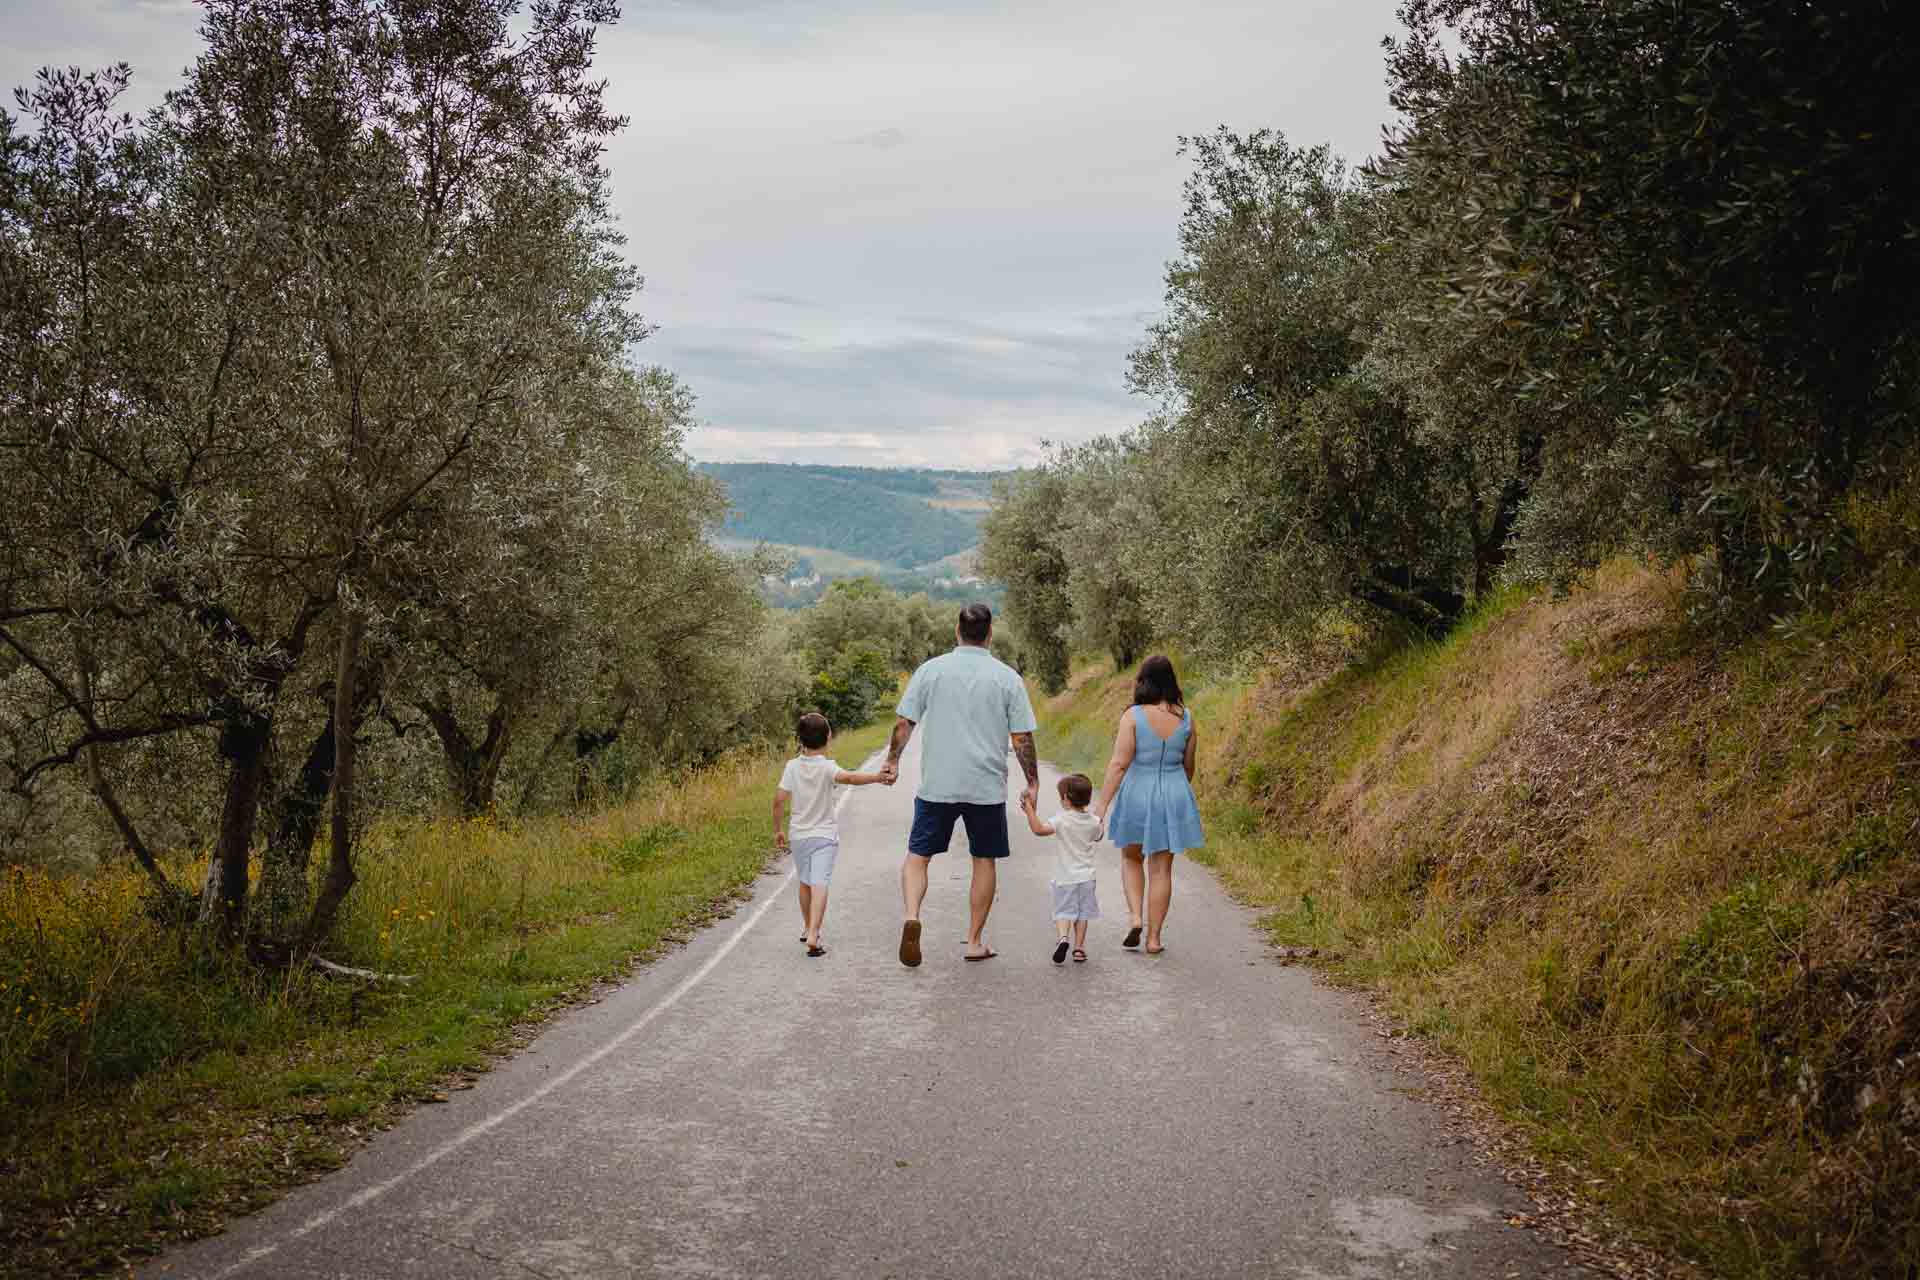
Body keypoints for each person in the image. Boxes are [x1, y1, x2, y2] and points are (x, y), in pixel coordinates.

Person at [882, 602, 1039, 966]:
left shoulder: (930, 671)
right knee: (983, 861)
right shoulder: (1006, 678)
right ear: (989, 632)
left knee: (917, 858)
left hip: (938, 783)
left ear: (957, 630)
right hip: (985, 787)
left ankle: (911, 916)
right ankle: (973, 941)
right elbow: (1022, 739)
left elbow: (904, 724)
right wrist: (1033, 782)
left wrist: (892, 760)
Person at [1093, 655, 1203, 955]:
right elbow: (1188, 766)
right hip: (1174, 789)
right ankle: (1154, 939)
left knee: (1131, 858)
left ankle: (1135, 918)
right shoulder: (1187, 719)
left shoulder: (1133, 716)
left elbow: (1119, 764)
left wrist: (1101, 806)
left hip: (1138, 791)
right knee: (1162, 869)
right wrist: (1176, 790)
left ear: (1143, 681)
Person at [774, 711, 891, 957]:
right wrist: (877, 777)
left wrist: (778, 830)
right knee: (820, 883)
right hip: (824, 836)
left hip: (799, 836)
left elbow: (779, 800)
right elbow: (850, 777)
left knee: (805, 882)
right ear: (828, 737)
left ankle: (807, 927)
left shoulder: (792, 767)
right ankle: (815, 934)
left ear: (800, 739)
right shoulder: (827, 767)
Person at [1020, 773, 1102, 964]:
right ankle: (1079, 948)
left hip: (1065, 877)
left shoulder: (1061, 820)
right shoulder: (1093, 821)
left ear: (1066, 798)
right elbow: (1098, 835)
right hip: (1087, 878)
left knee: (1063, 911)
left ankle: (1063, 939)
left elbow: (1039, 830)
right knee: (1082, 915)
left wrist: (1030, 810)